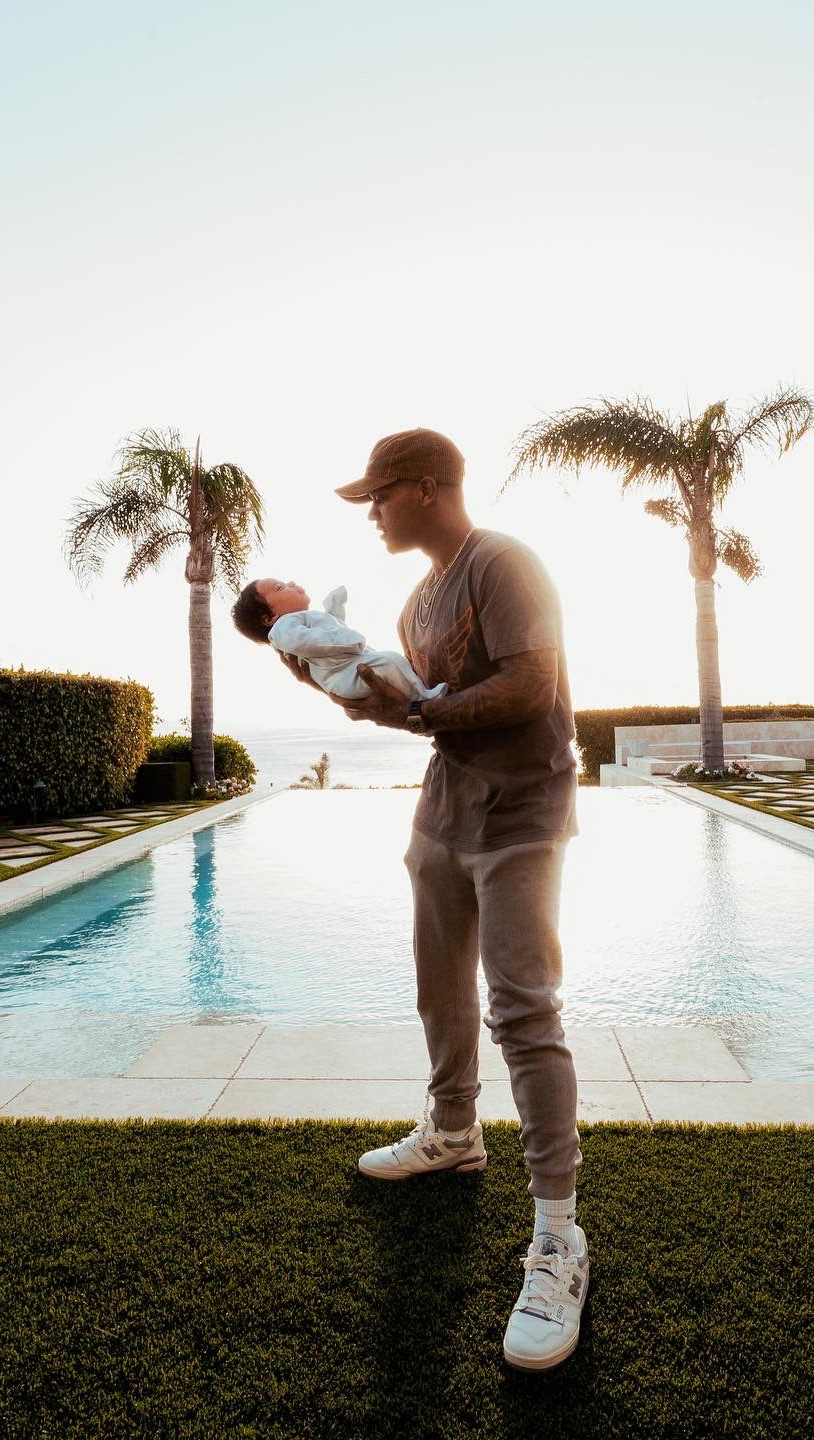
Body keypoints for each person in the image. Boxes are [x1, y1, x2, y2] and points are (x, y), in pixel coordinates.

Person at [280, 426, 587, 1372]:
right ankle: (454, 1131)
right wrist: (362, 695)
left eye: (378, 495)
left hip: (522, 812)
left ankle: (558, 1234)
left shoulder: (503, 563)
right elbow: (430, 709)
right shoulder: (417, 601)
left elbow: (529, 686)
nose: (371, 513)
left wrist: (415, 708)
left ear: (424, 487)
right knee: (438, 988)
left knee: (523, 1010)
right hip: (445, 810)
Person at [231, 578, 446, 703]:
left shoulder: (305, 619)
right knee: (390, 661)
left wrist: (335, 606)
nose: (292, 583)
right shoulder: (282, 629)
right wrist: (348, 640)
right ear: (269, 618)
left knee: (392, 662)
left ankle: (421, 692)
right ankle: (423, 698)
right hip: (346, 676)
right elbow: (311, 642)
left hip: (351, 667)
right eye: (280, 587)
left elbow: (333, 626)